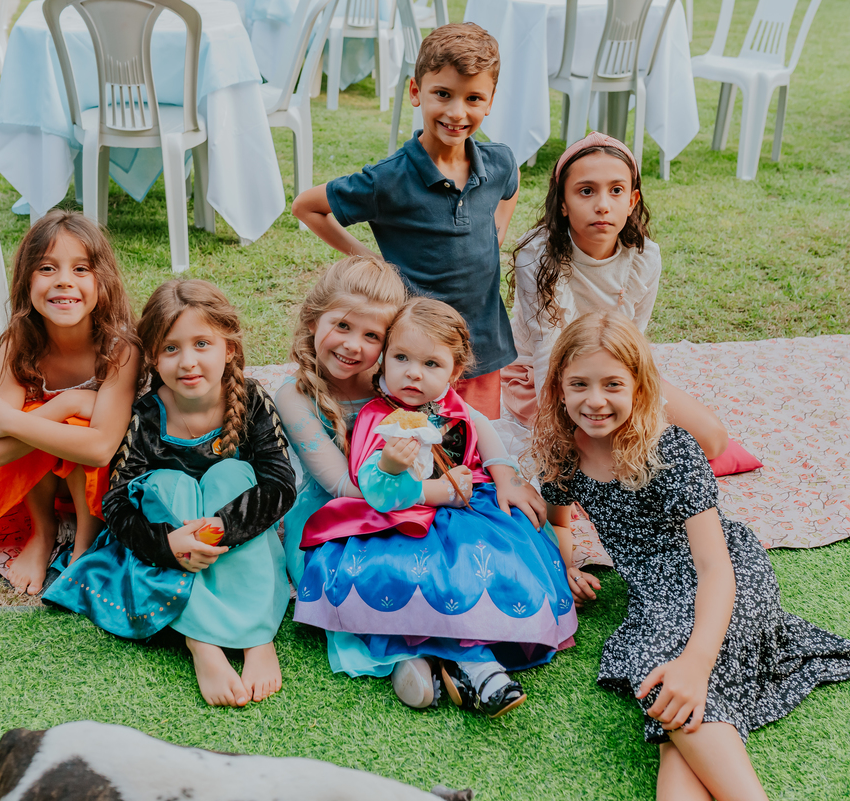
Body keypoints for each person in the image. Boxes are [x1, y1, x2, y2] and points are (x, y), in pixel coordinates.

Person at [528, 311, 850, 800]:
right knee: (669, 692)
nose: (595, 400)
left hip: (725, 575)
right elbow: (560, 521)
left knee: (670, 676)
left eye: (613, 384)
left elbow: (716, 566)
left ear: (640, 387)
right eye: (579, 384)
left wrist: (697, 661)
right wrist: (566, 565)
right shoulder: (563, 451)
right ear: (559, 389)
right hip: (656, 595)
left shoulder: (670, 449)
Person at [296, 298, 576, 719]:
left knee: (492, 559)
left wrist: (504, 474)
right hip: (399, 517)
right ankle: (473, 666)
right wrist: (396, 469)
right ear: (383, 360)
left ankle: (445, 662)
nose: (414, 373)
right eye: (402, 358)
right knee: (409, 572)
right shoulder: (378, 417)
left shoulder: (452, 406)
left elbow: (482, 430)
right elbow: (374, 490)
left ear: (454, 372)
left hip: (467, 507)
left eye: (431, 364)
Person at [44, 280, 296, 708]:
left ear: (229, 348)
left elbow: (280, 485)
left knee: (233, 474)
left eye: (202, 344)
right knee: (165, 484)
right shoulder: (146, 416)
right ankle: (202, 643)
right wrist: (168, 543)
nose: (188, 361)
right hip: (175, 540)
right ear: (153, 358)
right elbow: (116, 503)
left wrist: (222, 526)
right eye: (171, 348)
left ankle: (257, 638)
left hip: (234, 535)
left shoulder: (252, 400)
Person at [291, 23, 519, 419]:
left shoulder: (499, 161)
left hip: (484, 344)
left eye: (473, 98)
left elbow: (509, 187)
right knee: (415, 438)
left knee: (480, 437)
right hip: (414, 354)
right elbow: (306, 207)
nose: (456, 112)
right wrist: (373, 262)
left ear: (490, 101)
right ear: (416, 91)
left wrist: (496, 232)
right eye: (442, 94)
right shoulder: (387, 180)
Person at [502, 132, 728, 459]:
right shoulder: (537, 255)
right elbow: (547, 349)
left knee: (711, 440)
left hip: (614, 373)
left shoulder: (644, 257)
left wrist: (635, 399)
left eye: (616, 190)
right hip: (551, 377)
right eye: (586, 191)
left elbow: (632, 340)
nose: (603, 205)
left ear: (632, 200)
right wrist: (555, 424)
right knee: (587, 452)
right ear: (563, 202)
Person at [0, 211, 140, 596]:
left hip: (103, 481)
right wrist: (66, 405)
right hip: (41, 484)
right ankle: (43, 531)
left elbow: (101, 448)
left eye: (81, 269)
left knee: (68, 428)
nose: (64, 280)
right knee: (47, 420)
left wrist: (31, 416)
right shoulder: (17, 344)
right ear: (27, 281)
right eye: (47, 268)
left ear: (103, 282)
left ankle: (86, 540)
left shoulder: (120, 348)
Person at [274, 255, 408, 589]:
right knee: (356, 581)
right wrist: (429, 493)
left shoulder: (392, 377)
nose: (352, 345)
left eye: (371, 335)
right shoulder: (295, 396)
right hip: (329, 512)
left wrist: (503, 469)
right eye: (342, 326)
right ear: (312, 319)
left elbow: (466, 415)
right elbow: (340, 486)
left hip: (401, 501)